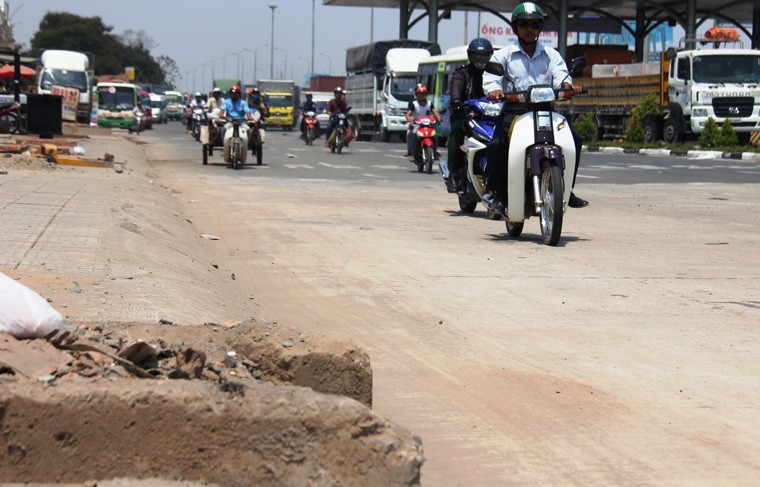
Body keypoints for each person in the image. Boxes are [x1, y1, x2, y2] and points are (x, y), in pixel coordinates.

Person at [483, 1, 588, 216]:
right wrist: (494, 90)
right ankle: (499, 194)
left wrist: (568, 86)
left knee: (575, 140)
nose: (529, 29)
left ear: (540, 27)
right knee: (497, 144)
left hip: (546, 110)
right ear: (515, 28)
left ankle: (567, 190)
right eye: (524, 24)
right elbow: (491, 78)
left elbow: (561, 75)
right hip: (515, 110)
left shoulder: (552, 54)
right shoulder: (503, 55)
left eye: (534, 24)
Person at [446, 37, 493, 193]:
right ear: (470, 56)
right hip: (466, 114)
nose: (480, 60)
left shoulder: (496, 72)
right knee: (457, 131)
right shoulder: (462, 72)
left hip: (490, 115)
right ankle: (453, 172)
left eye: (485, 56)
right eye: (476, 56)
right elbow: (456, 88)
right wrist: (456, 101)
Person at [405, 85, 442, 162]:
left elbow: (435, 112)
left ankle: (434, 152)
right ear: (417, 95)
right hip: (417, 125)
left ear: (426, 95)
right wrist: (411, 121)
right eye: (419, 94)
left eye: (423, 94)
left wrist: (438, 118)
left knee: (435, 135)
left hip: (428, 125)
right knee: (413, 133)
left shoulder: (429, 103)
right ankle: (412, 153)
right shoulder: (414, 104)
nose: (421, 96)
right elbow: (408, 114)